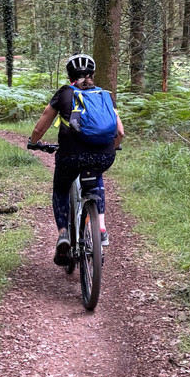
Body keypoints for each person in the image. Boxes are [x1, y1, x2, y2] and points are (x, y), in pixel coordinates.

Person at [29, 54, 124, 266]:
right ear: (92, 74)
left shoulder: (64, 93)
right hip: (104, 156)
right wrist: (115, 146)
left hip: (70, 156)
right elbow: (120, 131)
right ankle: (100, 226)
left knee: (61, 188)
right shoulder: (105, 95)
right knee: (95, 174)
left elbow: (40, 127)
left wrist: (33, 142)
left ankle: (63, 233)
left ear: (69, 75)